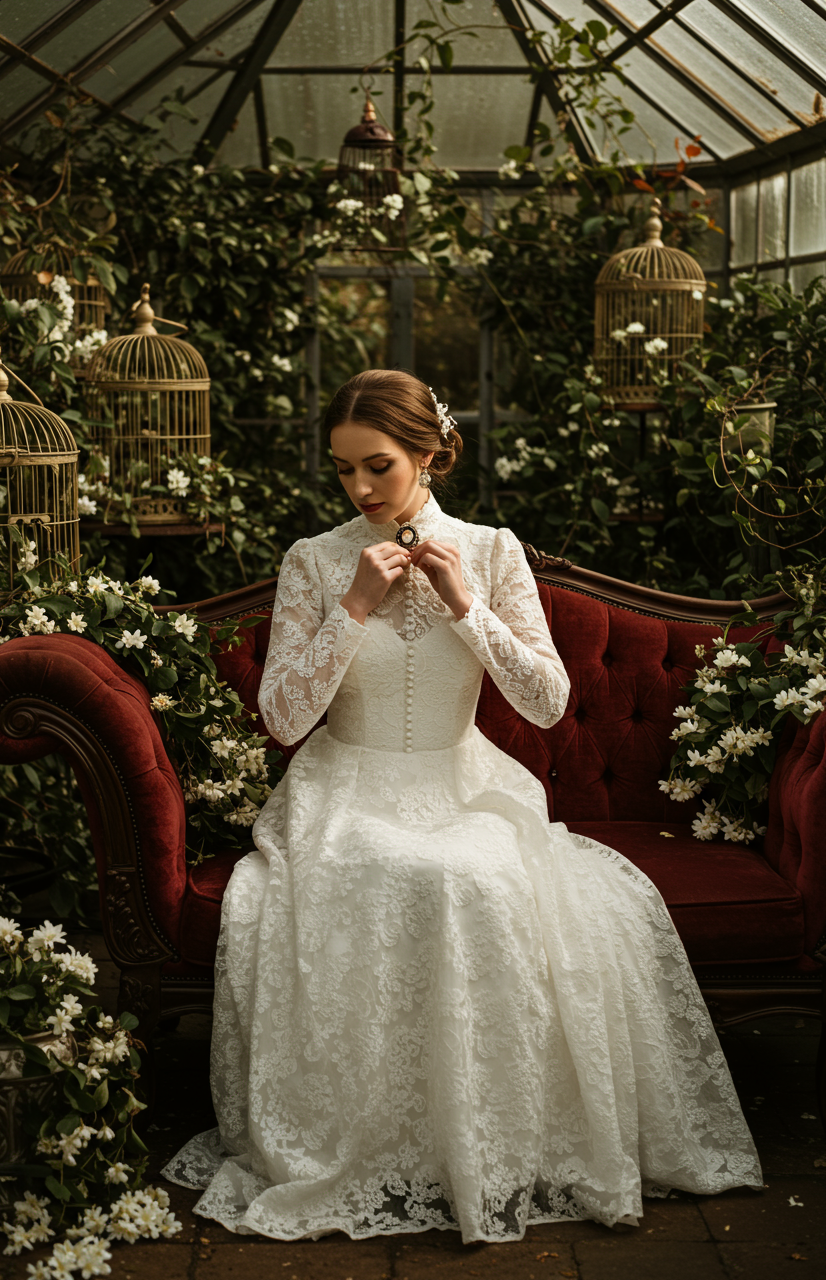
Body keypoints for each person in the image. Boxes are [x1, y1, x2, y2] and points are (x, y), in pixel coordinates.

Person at [163, 369, 762, 1242]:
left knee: (473, 873)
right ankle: (378, 1145)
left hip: (461, 784)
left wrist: (466, 604)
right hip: (347, 788)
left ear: (431, 455)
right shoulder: (313, 561)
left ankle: (483, 1148)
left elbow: (548, 700)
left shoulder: (491, 550)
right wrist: (356, 607)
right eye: (343, 471)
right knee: (411, 870)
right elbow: (286, 716)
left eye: (379, 467)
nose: (361, 490)